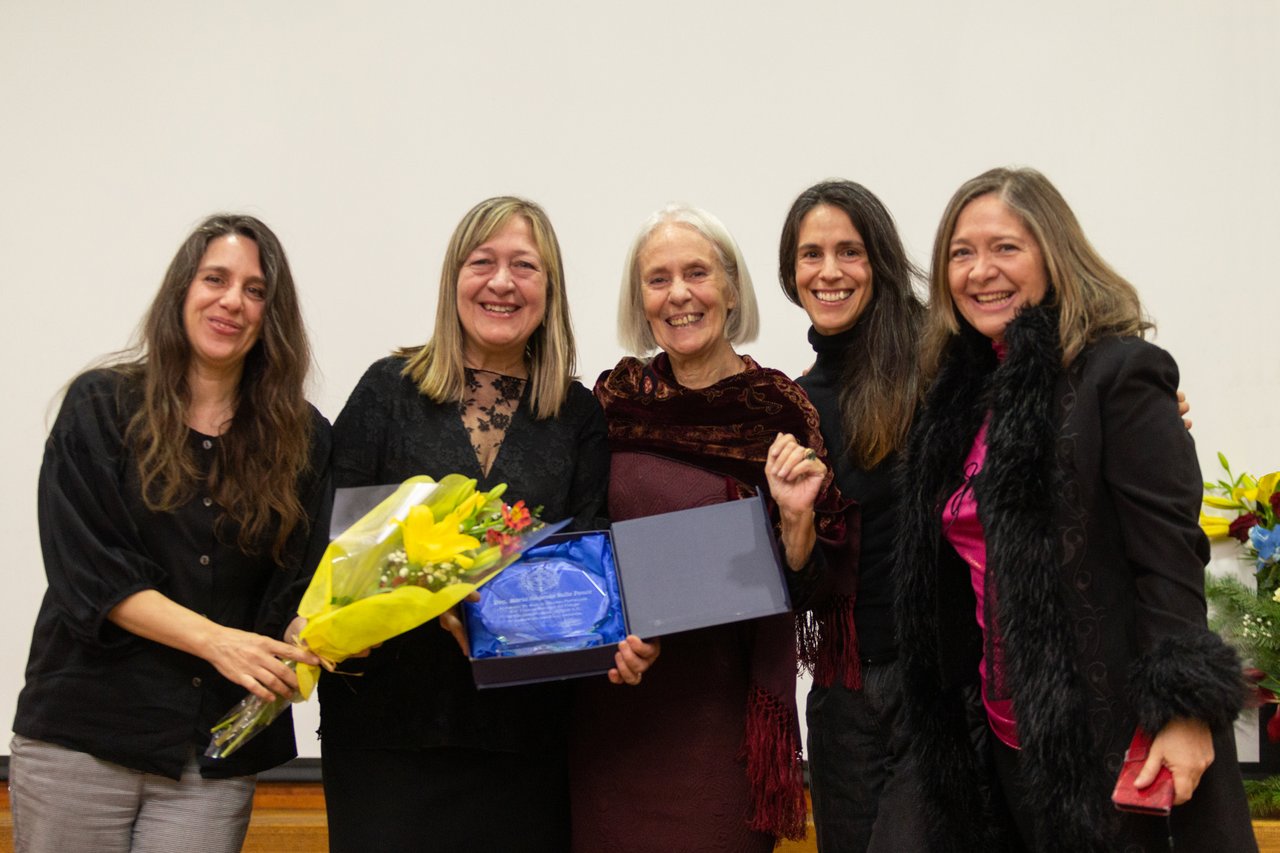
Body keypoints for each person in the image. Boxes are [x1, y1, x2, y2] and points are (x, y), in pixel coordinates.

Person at [894, 167, 1255, 851]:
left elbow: (1170, 560)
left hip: (1111, 735)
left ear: (1054, 254)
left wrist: (1183, 711)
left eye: (1005, 247)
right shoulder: (959, 396)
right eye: (961, 253)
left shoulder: (1119, 372)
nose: (980, 271)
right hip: (1003, 741)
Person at [319, 196, 654, 853]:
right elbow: (336, 544)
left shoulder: (577, 415)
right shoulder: (387, 391)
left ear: (549, 290)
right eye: (483, 263)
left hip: (522, 739)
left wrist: (619, 637)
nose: (502, 282)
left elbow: (589, 559)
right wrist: (433, 595)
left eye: (524, 266)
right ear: (454, 278)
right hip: (387, 731)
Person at [9, 214, 332, 853]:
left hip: (211, 755)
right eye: (216, 279)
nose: (232, 301)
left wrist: (314, 629)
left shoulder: (304, 439)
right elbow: (90, 574)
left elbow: (297, 583)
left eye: (255, 290)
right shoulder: (101, 405)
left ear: (272, 316)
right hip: (81, 738)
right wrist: (218, 643)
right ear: (182, 290)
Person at [571, 204, 849, 852]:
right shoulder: (613, 402)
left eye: (696, 273)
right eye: (658, 279)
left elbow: (814, 586)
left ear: (730, 288)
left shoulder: (776, 410)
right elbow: (581, 544)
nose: (679, 294)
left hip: (719, 724)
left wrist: (796, 519)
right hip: (611, 712)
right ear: (640, 301)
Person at [778, 180, 930, 852]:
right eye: (811, 254)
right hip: (843, 688)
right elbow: (802, 586)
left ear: (880, 261)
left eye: (850, 251)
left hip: (935, 684)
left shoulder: (938, 362)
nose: (829, 271)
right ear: (791, 272)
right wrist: (796, 524)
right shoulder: (795, 405)